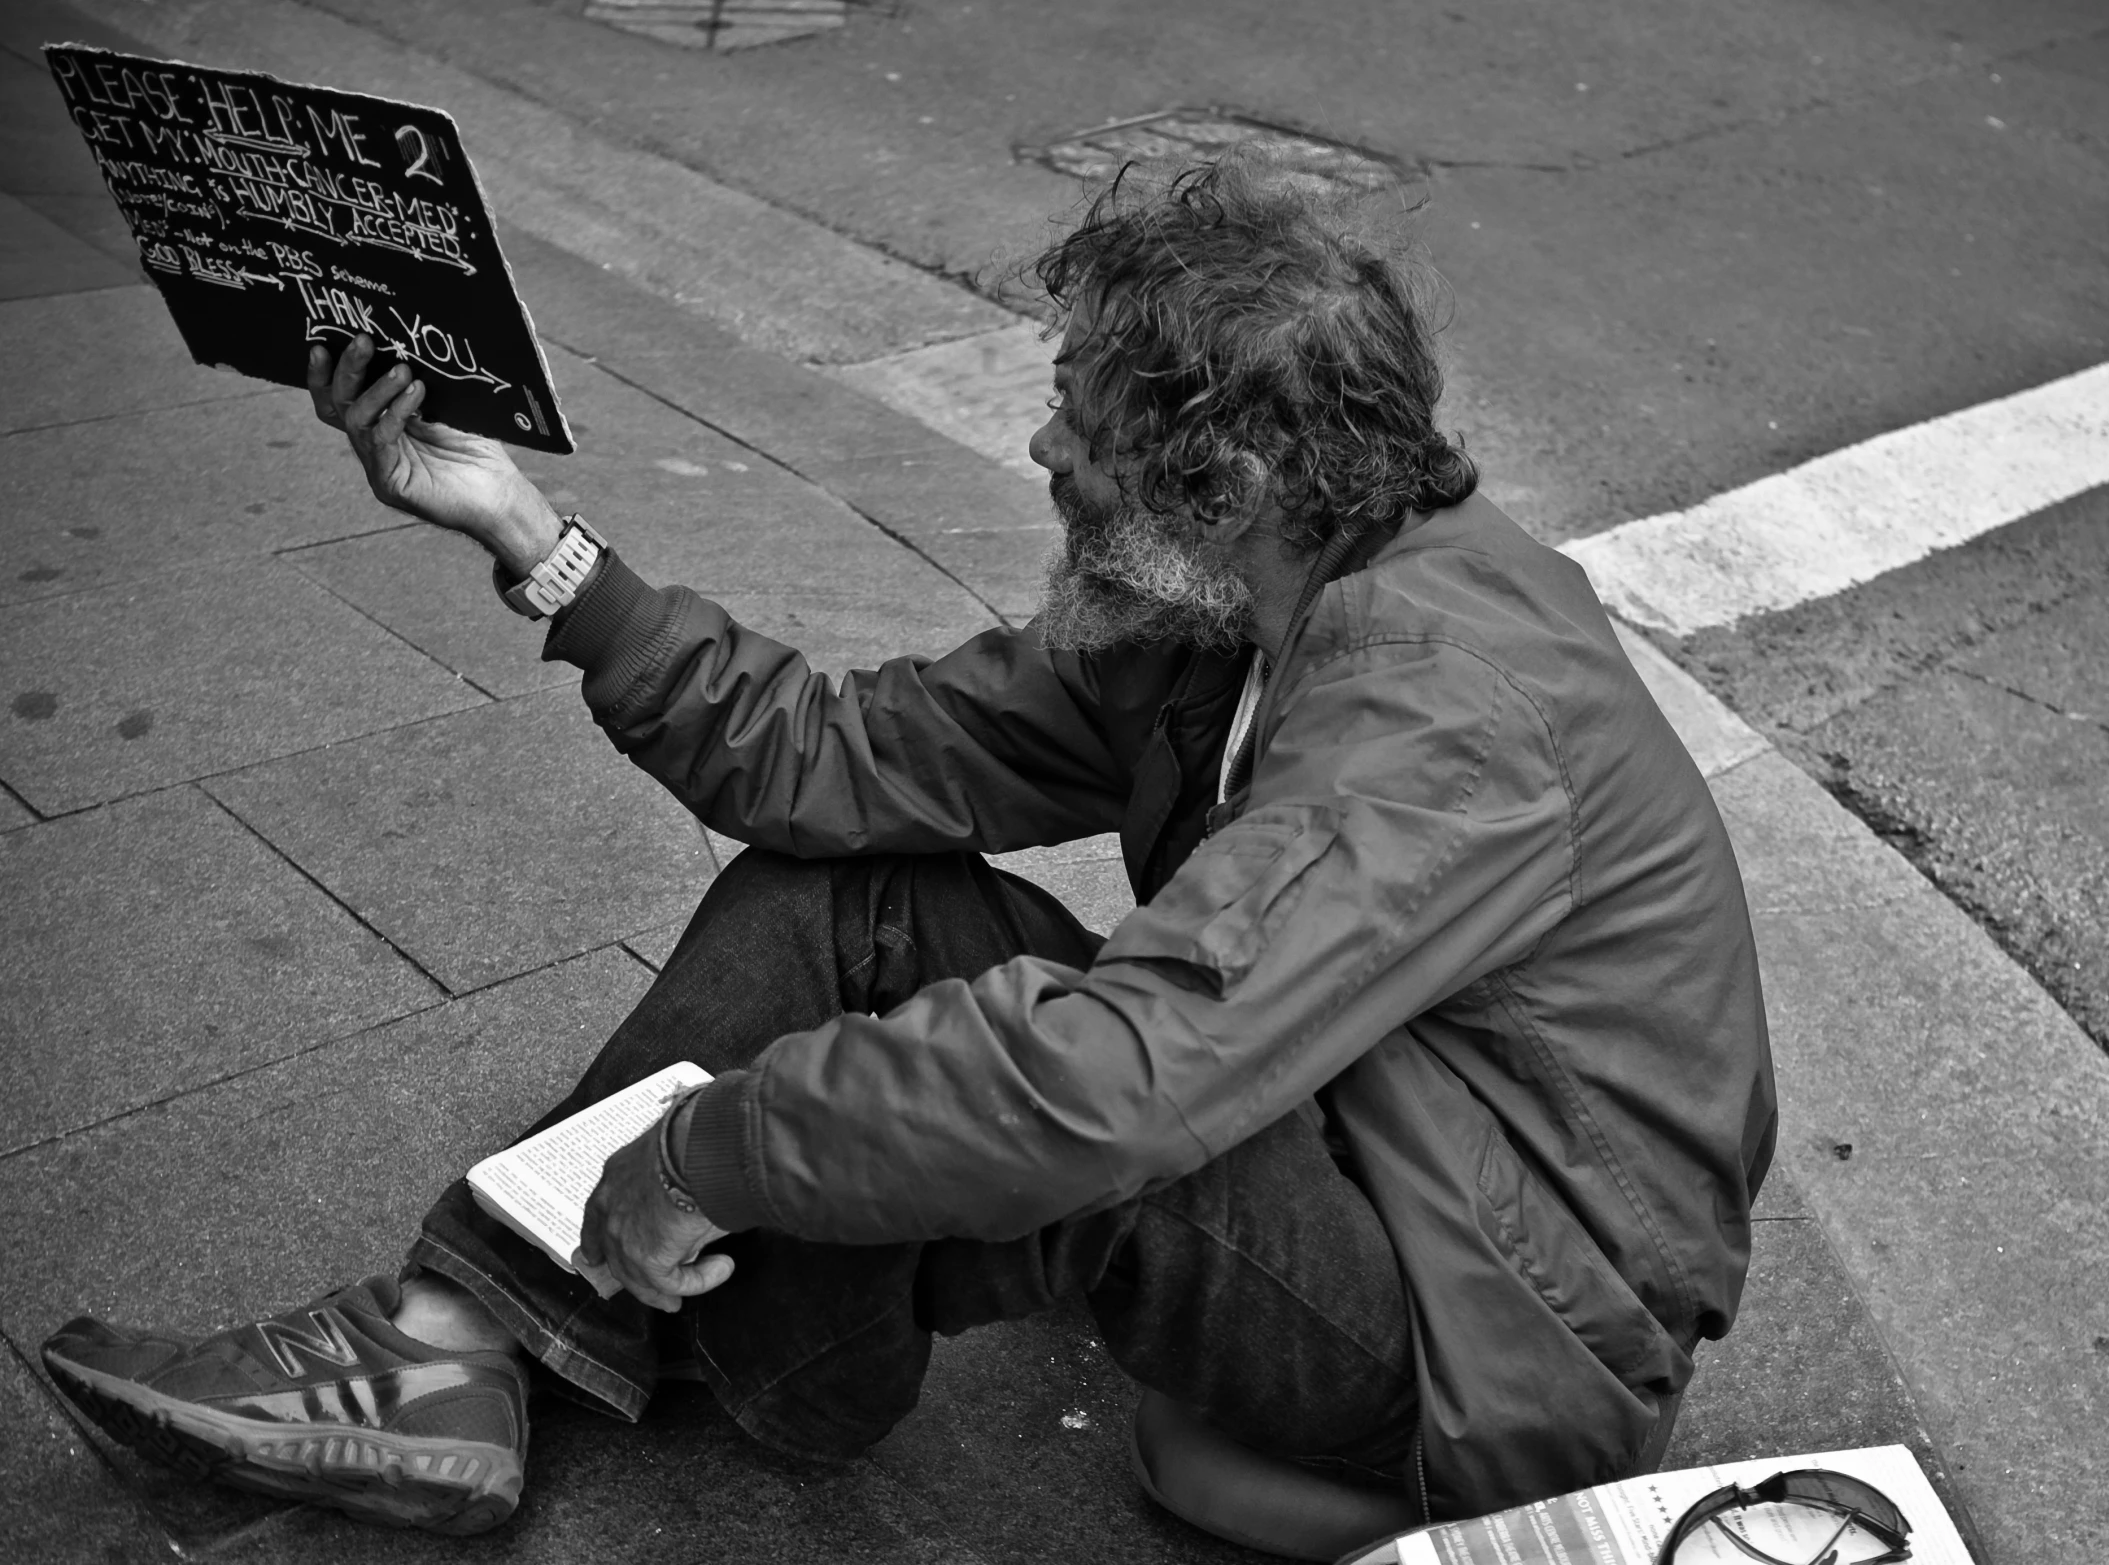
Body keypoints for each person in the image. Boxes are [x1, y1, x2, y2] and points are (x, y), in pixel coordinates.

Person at [42, 155, 1774, 1542]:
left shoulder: (1447, 706)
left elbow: (1121, 1084)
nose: (1037, 444)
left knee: (1017, 1078)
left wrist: (706, 1151)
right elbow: (843, 760)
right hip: (1362, 1155)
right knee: (859, 906)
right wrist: (537, 541)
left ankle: (505, 1338)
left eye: (1077, 416)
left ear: (1228, 479)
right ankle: (514, 1347)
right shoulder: (1226, 603)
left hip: (1497, 1337)